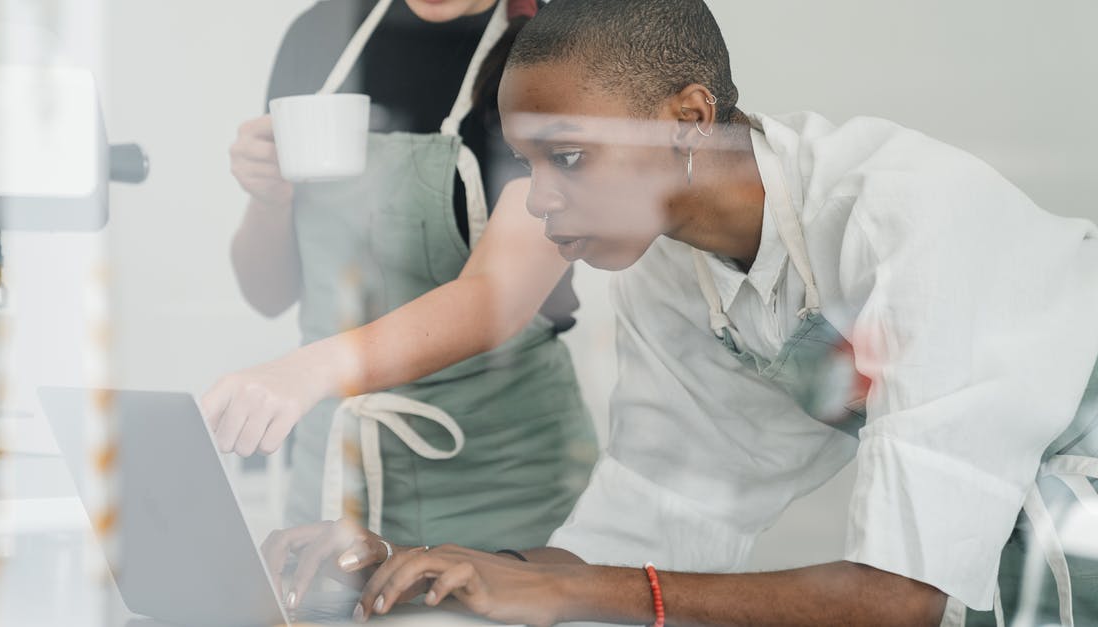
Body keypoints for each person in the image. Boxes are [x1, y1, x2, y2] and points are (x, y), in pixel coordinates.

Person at [264, 1, 1098, 625]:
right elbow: (649, 526)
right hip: (1030, 556)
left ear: (689, 121)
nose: (539, 202)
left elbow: (895, 600)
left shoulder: (904, 219)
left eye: (569, 157)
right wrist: (426, 567)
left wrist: (568, 587)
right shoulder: (676, 275)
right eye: (526, 163)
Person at [202, 0, 597, 577]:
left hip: (503, 503)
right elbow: (267, 291)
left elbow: (496, 298)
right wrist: (269, 198)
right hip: (335, 493)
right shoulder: (320, 36)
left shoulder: (549, 48)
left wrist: (309, 372)